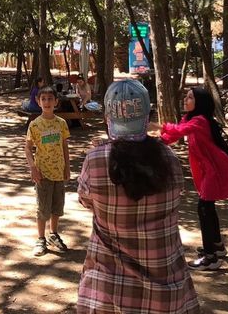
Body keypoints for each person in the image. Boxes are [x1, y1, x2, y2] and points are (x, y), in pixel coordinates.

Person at [77, 79, 199, 314]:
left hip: (108, 292)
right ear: (147, 117)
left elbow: (86, 200)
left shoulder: (95, 160)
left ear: (107, 119)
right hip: (165, 294)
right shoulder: (169, 159)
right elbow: (176, 197)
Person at [151, 87, 228, 271]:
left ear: (200, 102)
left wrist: (157, 126)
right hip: (205, 170)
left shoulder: (200, 120)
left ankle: (210, 256)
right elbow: (175, 134)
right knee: (207, 207)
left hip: (212, 170)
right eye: (186, 97)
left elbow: (180, 129)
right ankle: (218, 246)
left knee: (204, 208)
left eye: (190, 97)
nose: (185, 100)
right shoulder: (190, 118)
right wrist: (158, 141)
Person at [25, 86, 70, 257]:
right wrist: (33, 168)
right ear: (38, 102)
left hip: (58, 172)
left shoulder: (61, 123)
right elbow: (28, 149)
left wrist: (67, 167)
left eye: (50, 99)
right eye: (43, 99)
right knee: (43, 208)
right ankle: (40, 238)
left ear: (56, 102)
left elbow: (65, 147)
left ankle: (53, 234)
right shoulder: (35, 125)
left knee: (57, 207)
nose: (47, 102)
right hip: (42, 174)